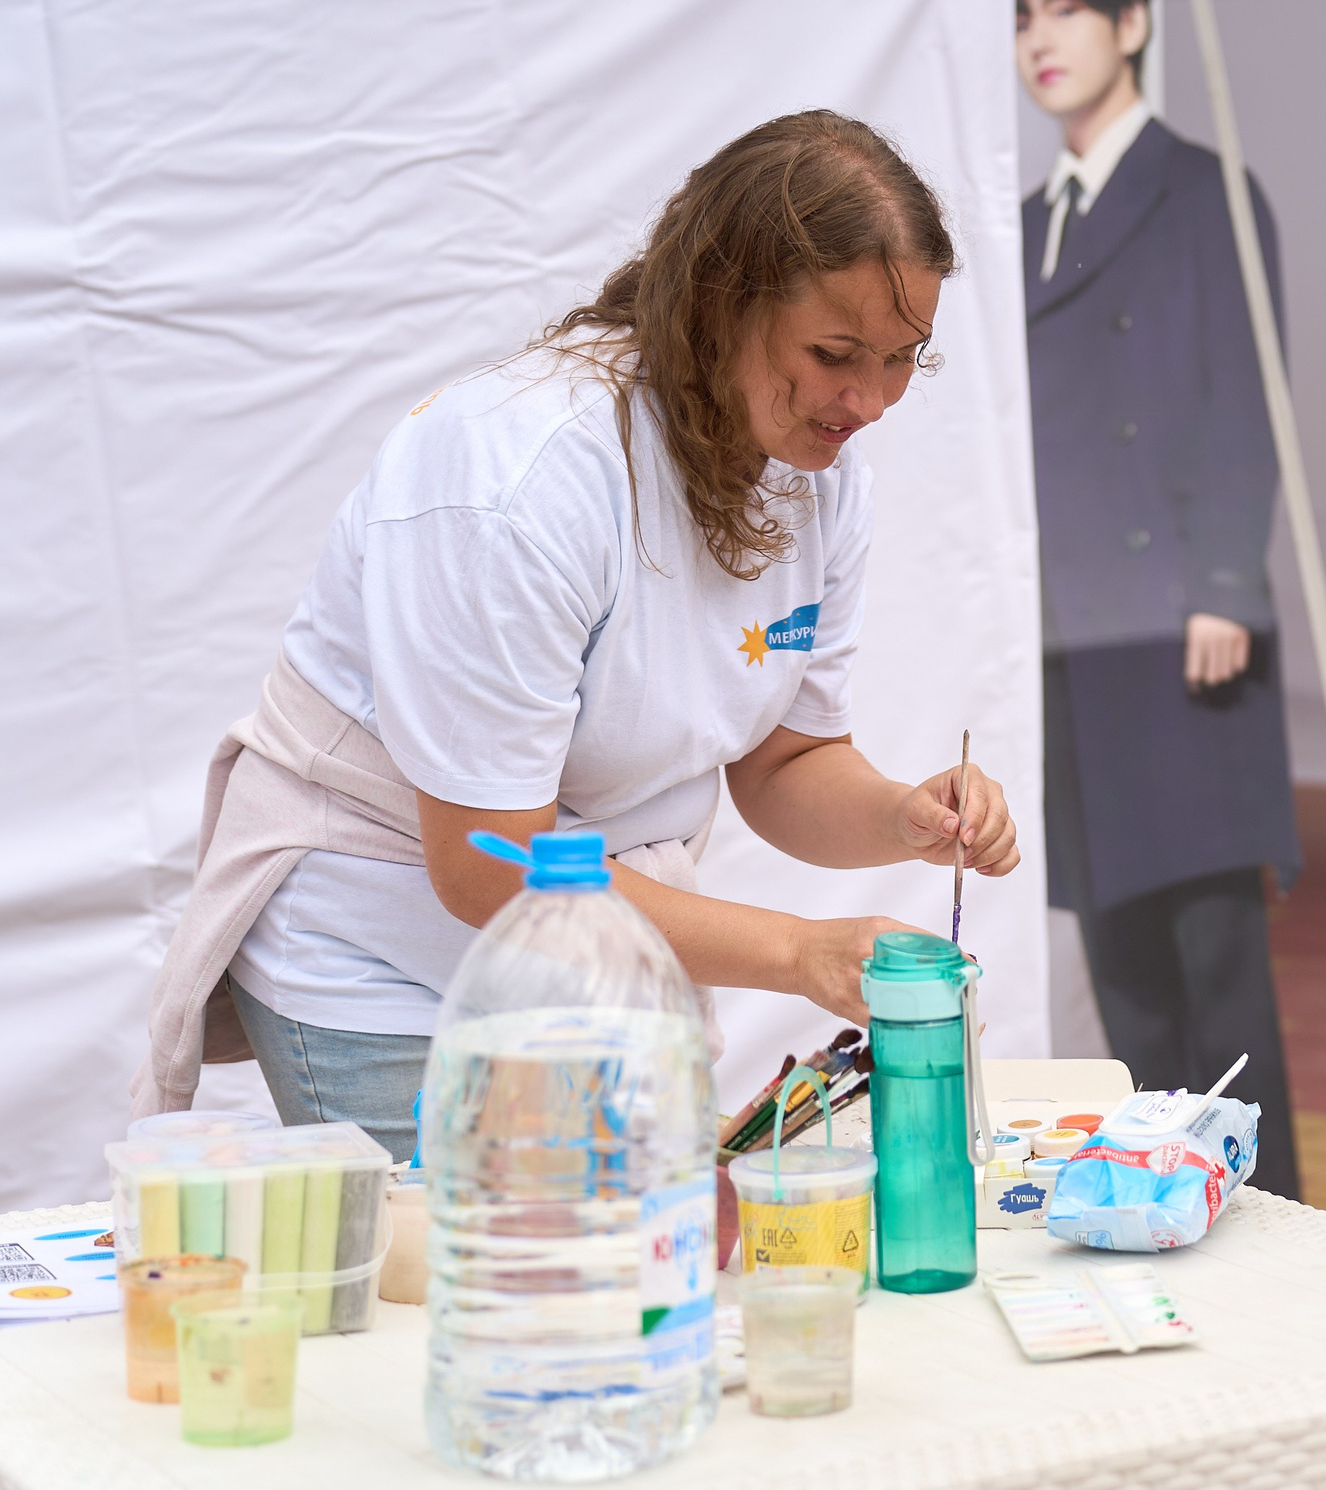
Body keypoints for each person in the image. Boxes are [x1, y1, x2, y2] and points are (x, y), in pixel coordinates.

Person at [135, 111, 1022, 1157]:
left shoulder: (816, 474)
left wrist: (899, 816)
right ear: (720, 303)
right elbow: (488, 863)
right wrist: (797, 952)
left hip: (602, 947)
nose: (868, 401)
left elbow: (784, 758)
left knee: (639, 1286)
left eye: (901, 362)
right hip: (391, 964)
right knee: (467, 1295)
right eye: (836, 354)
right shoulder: (519, 475)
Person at [1014, 0, 1303, 1197]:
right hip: (1070, 636)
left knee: (1212, 955)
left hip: (1184, 625)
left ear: (1130, 24)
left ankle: (1276, 1215)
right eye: (1022, 19)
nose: (1039, 40)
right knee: (1121, 956)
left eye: (1064, 10)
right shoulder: (1028, 224)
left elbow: (1241, 393)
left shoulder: (1202, 190)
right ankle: (1152, 1200)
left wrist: (1225, 583)